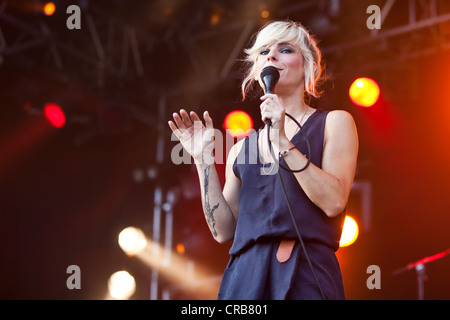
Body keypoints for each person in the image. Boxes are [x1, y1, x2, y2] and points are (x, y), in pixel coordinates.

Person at [168, 20, 358, 300]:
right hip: (244, 280)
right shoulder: (239, 149)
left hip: (306, 273)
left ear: (307, 66)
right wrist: (203, 159)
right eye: (264, 52)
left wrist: (282, 140)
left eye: (285, 50)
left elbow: (334, 202)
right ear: (257, 70)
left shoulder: (335, 122)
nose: (271, 56)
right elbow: (223, 231)